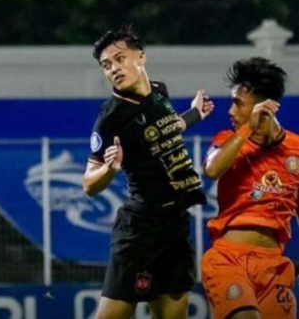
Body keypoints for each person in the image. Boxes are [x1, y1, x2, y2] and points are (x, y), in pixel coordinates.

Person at [82, 25, 214, 319]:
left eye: (120, 58)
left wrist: (193, 115)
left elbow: (165, 131)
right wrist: (109, 168)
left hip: (175, 226)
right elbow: (89, 185)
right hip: (140, 229)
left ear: (140, 56)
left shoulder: (158, 92)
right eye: (106, 65)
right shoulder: (110, 119)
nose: (114, 68)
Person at [202, 57, 298, 319]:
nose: (230, 111)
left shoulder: (296, 150)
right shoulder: (228, 140)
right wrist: (247, 128)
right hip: (228, 260)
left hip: (274, 265)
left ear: (264, 106)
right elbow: (211, 169)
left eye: (237, 103)